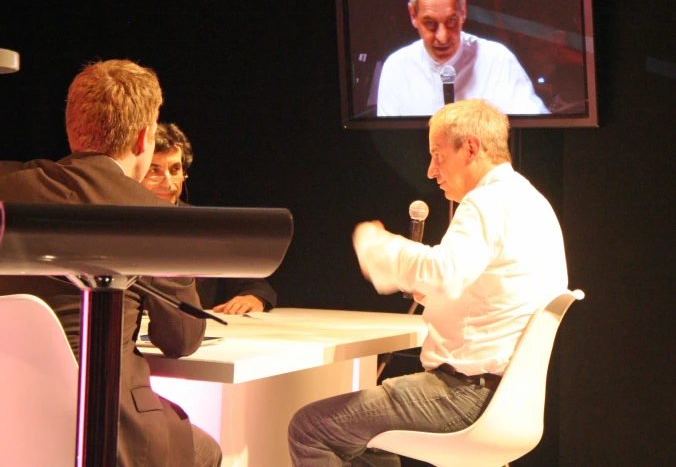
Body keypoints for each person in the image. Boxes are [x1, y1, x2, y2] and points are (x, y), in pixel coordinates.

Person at [288, 99, 568, 466]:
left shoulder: (487, 201)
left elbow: (445, 273)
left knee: (310, 428)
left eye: (438, 155)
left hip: (466, 396)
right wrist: (431, 294)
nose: (431, 170)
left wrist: (379, 246)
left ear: (470, 148)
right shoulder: (532, 202)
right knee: (369, 438)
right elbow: (495, 295)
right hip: (512, 401)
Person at [0, 59, 222, 467]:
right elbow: (183, 339)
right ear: (145, 139)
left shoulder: (8, 191)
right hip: (108, 428)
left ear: (72, 129)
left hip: (10, 419)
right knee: (208, 450)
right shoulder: (154, 218)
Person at [376, 0, 549, 117]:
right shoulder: (396, 69)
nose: (442, 37)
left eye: (450, 20)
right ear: (413, 15)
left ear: (463, 11)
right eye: (430, 24)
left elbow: (535, 131)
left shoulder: (498, 61)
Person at [141, 122, 277, 314]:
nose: (168, 182)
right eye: (154, 170)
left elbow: (256, 286)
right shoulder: (119, 226)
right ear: (136, 173)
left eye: (174, 170)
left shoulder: (204, 226)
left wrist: (253, 298)